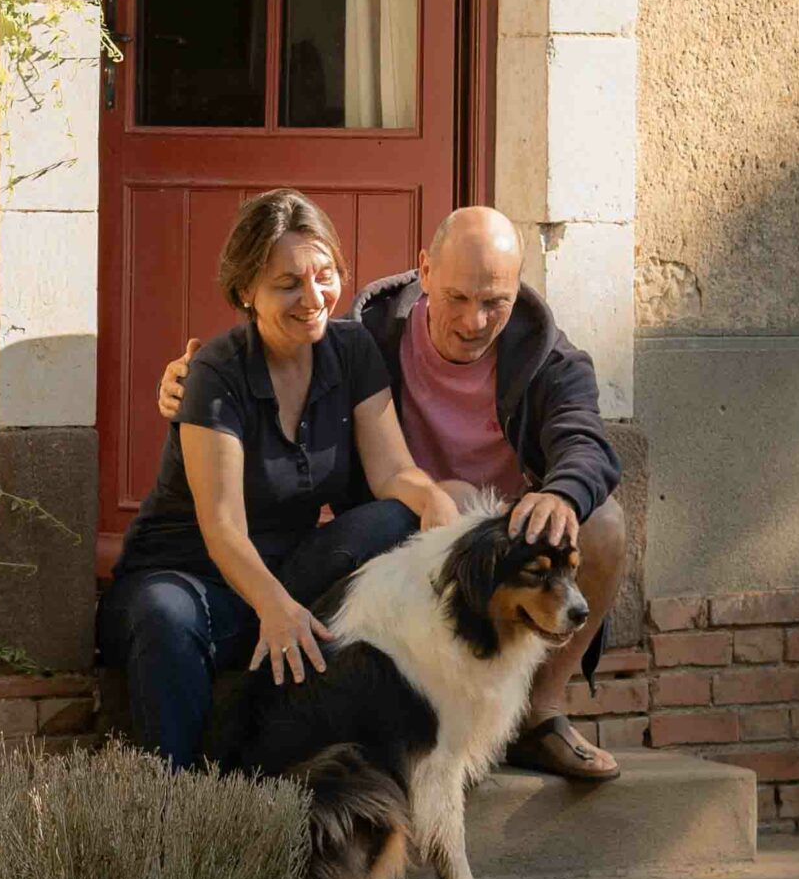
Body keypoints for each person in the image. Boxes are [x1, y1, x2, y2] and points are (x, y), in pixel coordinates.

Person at [160, 205, 630, 779]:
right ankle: (438, 716)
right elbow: (280, 343)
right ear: (424, 270)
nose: (474, 321)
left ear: (517, 287)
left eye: (494, 302)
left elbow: (588, 441)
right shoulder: (371, 336)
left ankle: (539, 716)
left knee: (602, 522)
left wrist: (561, 492)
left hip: (514, 539)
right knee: (447, 496)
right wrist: (196, 380)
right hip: (402, 549)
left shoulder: (549, 357)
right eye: (456, 298)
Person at [100, 188, 462, 769]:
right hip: (189, 584)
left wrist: (436, 505)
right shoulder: (217, 371)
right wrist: (276, 607)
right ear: (247, 291)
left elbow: (393, 471)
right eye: (287, 283)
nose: (312, 297)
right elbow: (221, 528)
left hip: (282, 573)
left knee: (397, 517)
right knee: (163, 614)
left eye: (323, 274)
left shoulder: (351, 349)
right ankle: (176, 800)